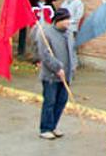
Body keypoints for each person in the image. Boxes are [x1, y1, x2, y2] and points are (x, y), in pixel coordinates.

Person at [36, 8, 77, 140]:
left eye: (68, 19)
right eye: (65, 19)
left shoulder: (69, 34)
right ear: (58, 20)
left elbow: (73, 51)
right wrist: (57, 67)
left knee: (61, 101)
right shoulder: (46, 33)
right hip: (51, 76)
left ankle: (53, 125)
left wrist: (73, 67)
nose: (68, 22)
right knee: (50, 101)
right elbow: (45, 55)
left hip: (66, 75)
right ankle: (45, 128)